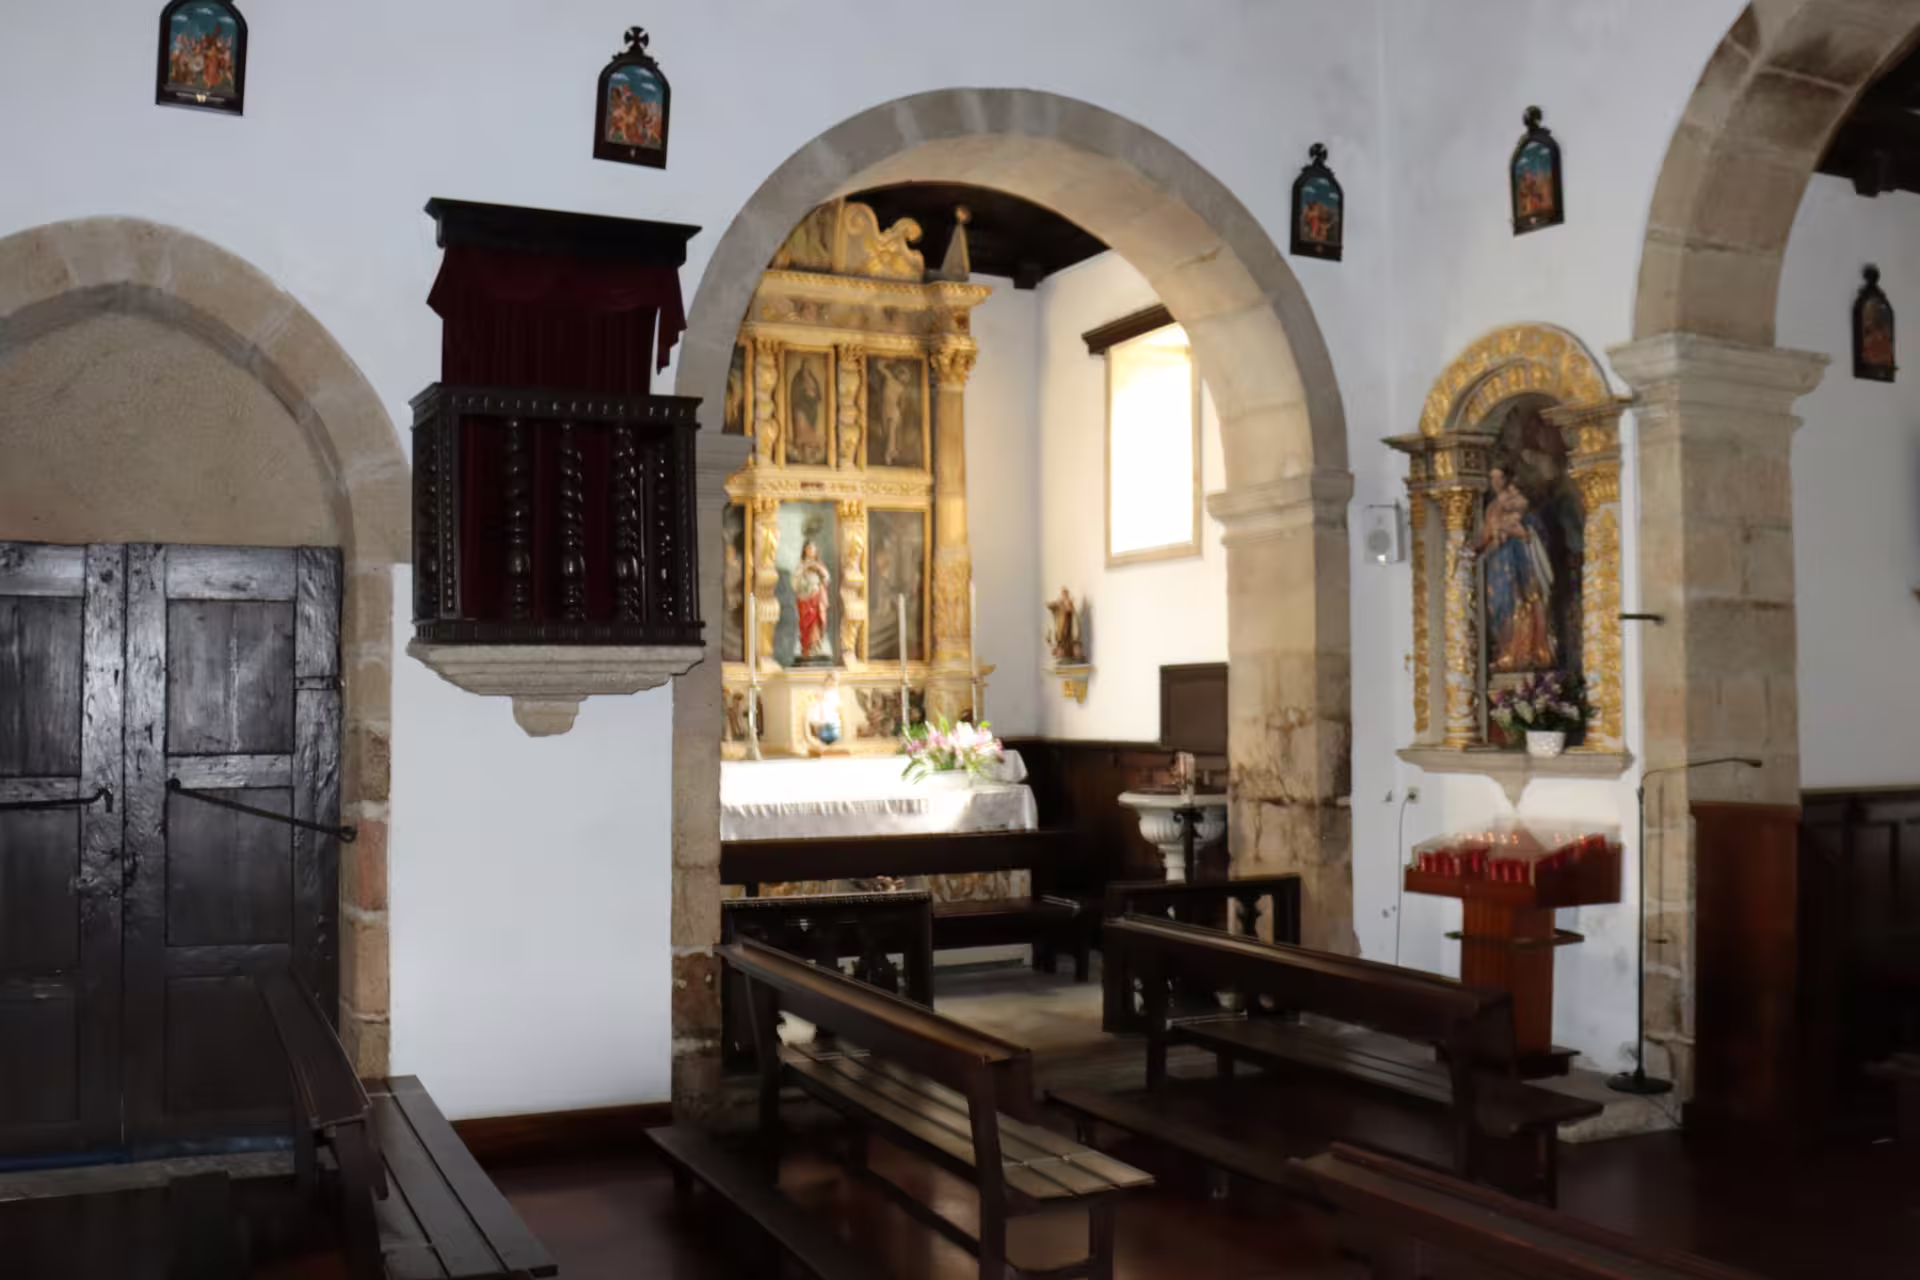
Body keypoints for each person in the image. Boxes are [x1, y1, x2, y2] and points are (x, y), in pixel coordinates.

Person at [1473, 466, 1557, 673]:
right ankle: (1506, 652)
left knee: (1525, 603)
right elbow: (1485, 541)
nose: (1496, 483)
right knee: (1501, 606)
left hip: (1524, 567)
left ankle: (1528, 653)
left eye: (1499, 477)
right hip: (1499, 568)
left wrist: (1524, 535)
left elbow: (1541, 540)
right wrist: (1491, 541)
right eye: (1492, 478)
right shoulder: (1492, 511)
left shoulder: (1527, 513)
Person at [792, 540, 832, 662]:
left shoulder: (819, 565)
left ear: (816, 551)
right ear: (804, 550)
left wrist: (818, 570)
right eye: (808, 548)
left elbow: (826, 579)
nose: (810, 551)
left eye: (813, 549)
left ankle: (816, 648)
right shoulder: (801, 565)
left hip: (817, 599)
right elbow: (795, 583)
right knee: (806, 624)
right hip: (805, 600)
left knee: (816, 623)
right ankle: (807, 649)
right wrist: (805, 571)